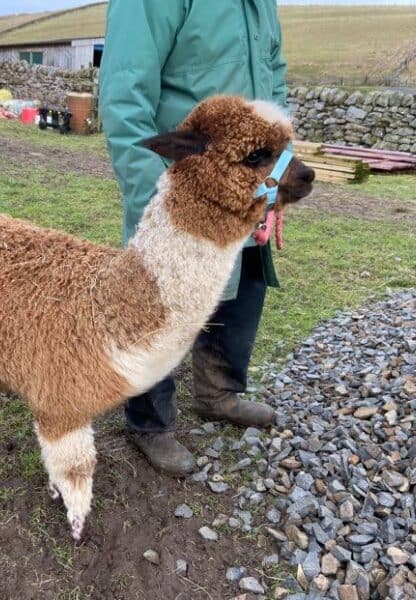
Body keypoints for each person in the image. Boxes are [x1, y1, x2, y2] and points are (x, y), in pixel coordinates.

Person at [99, 0, 289, 476]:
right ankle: (149, 422)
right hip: (182, 190)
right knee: (158, 305)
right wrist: (163, 202)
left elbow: (275, 88)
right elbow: (125, 99)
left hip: (247, 190)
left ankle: (218, 394)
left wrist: (276, 185)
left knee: (244, 287)